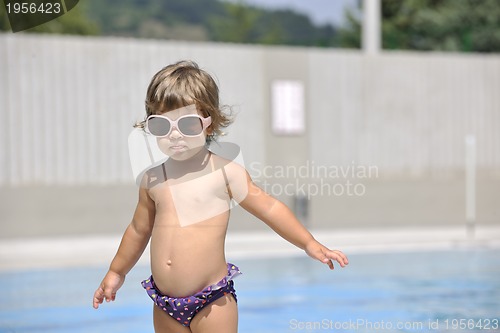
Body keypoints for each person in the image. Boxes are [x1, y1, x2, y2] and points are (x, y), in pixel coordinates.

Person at [92, 60, 348, 333]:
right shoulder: (152, 179)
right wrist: (117, 271)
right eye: (161, 125)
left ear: (209, 125)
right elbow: (138, 230)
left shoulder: (226, 173)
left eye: (187, 124)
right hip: (164, 302)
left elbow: (270, 208)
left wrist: (308, 243)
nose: (174, 134)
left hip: (212, 302)